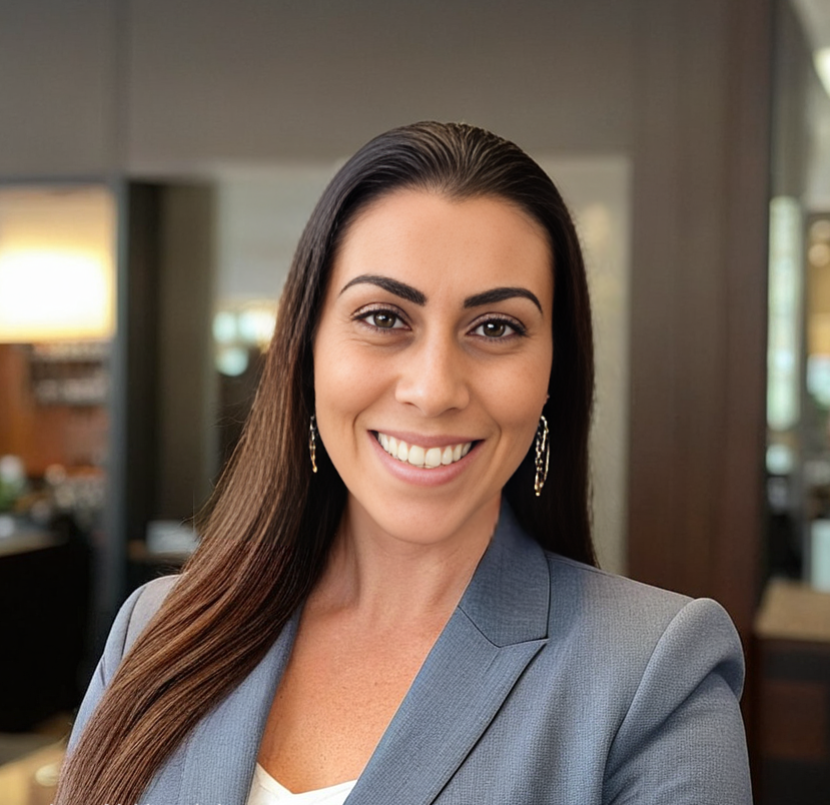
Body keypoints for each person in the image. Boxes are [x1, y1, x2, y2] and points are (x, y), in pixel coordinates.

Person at [57, 122, 752, 805]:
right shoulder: (157, 628)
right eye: (385, 317)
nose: (433, 388)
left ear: (552, 375)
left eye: (496, 327)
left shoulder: (652, 676)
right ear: (307, 349)